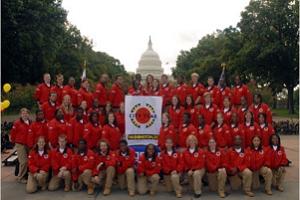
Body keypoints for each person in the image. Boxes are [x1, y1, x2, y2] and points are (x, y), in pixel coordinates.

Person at [10, 108, 31, 183]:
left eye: (26, 113)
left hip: (28, 144)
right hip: (20, 144)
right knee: (23, 161)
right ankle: (20, 177)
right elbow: (12, 133)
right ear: (21, 114)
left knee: (29, 161)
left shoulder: (30, 122)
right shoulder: (17, 123)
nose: (25, 115)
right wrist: (13, 142)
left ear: (28, 114)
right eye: (23, 113)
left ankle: (27, 175)